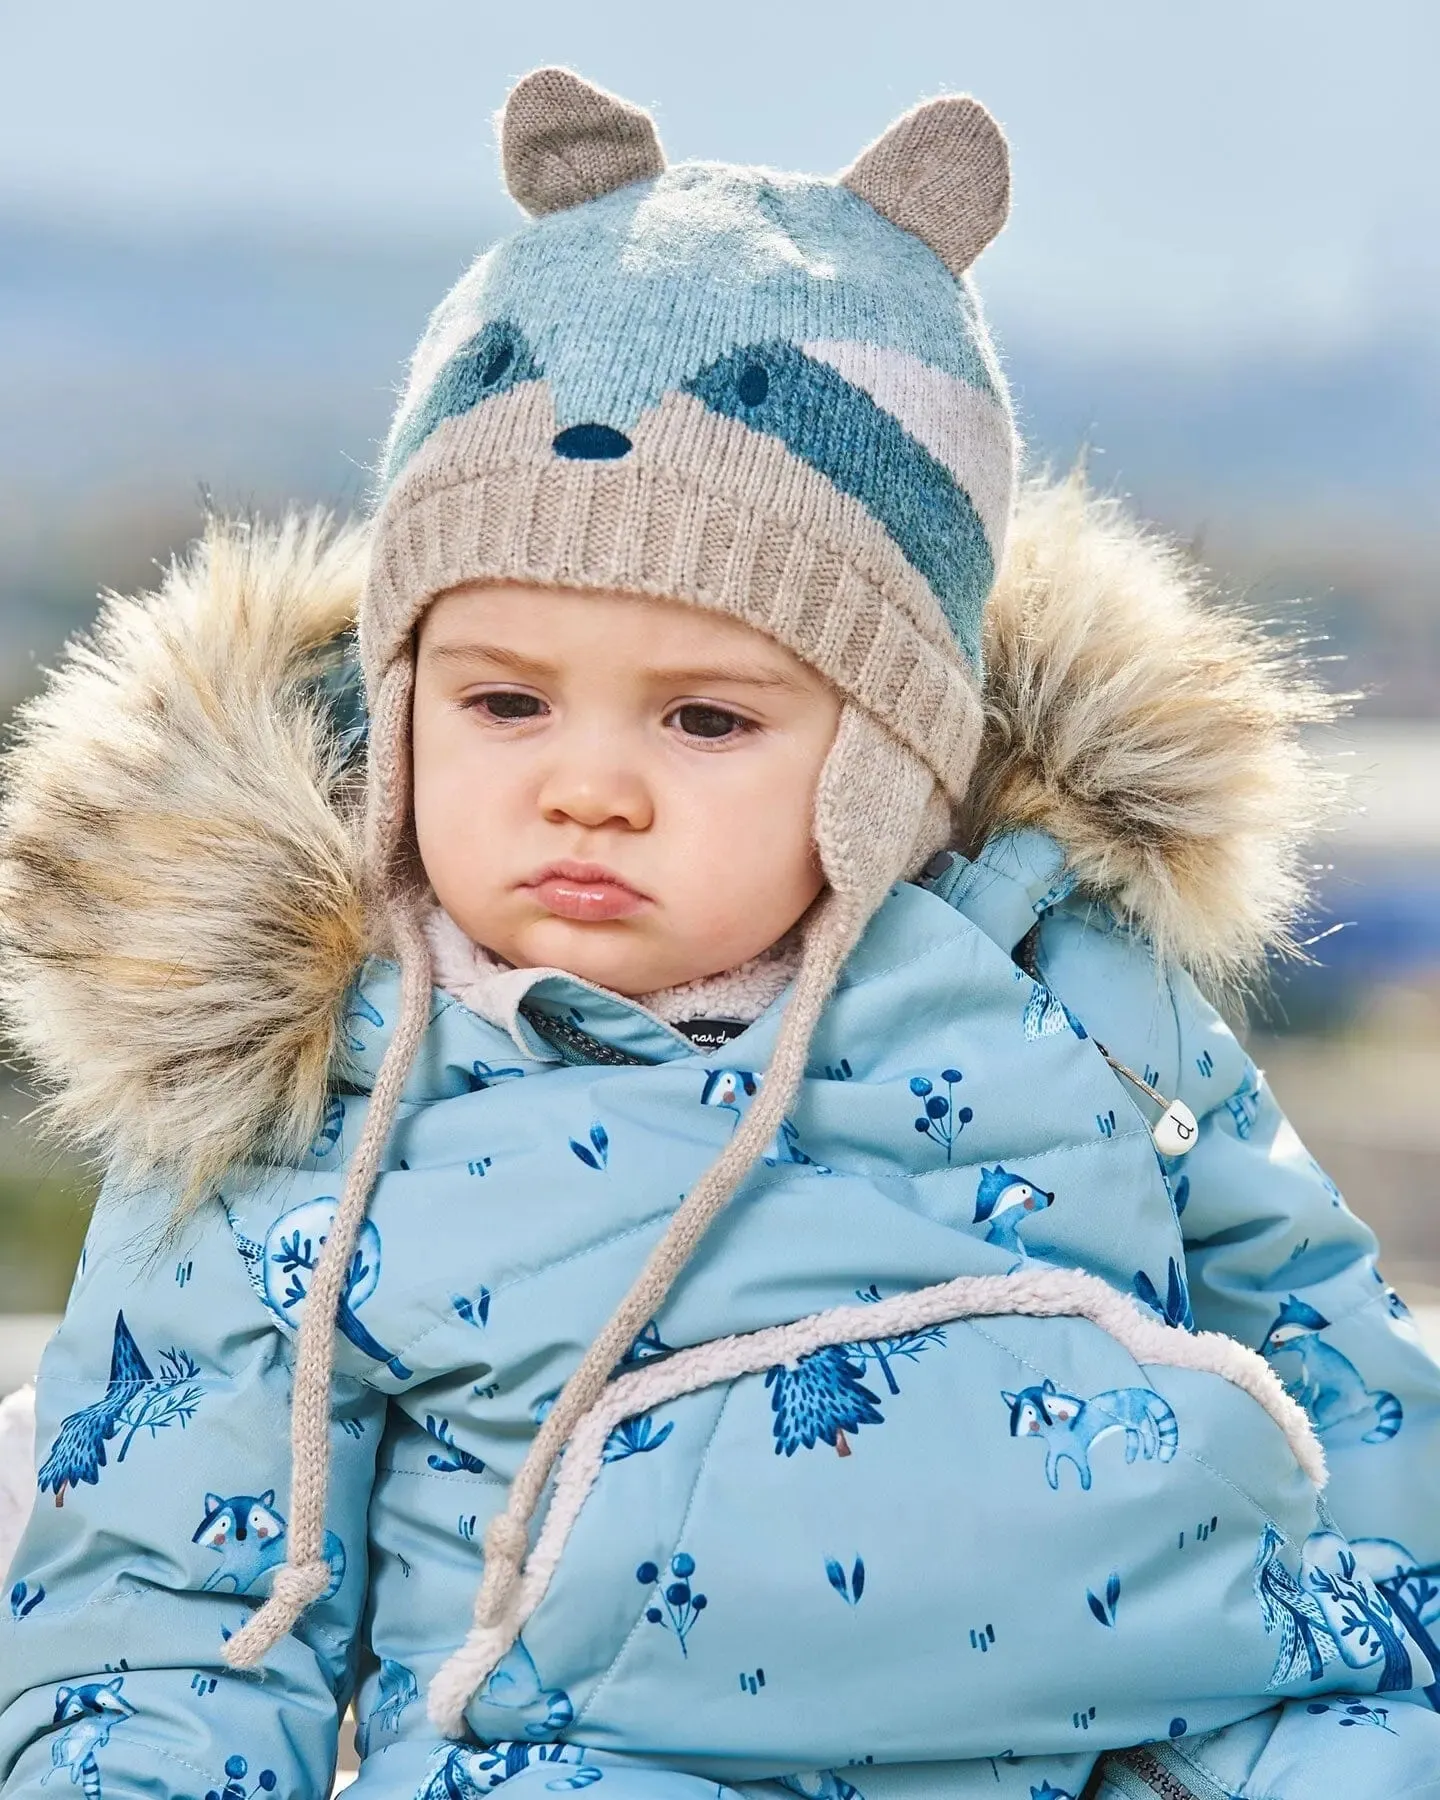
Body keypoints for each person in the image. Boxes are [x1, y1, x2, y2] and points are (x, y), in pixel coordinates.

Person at [1, 64, 1437, 1800]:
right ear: (401, 712)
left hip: (1150, 1729)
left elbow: (1329, 1352)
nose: (587, 790)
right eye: (508, 703)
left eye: (706, 723)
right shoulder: (312, 1091)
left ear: (896, 756)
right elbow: (165, 1601)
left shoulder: (1067, 990)